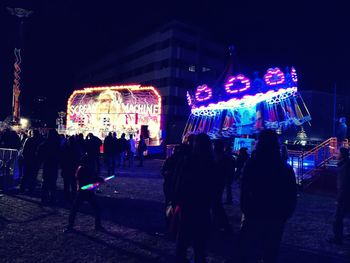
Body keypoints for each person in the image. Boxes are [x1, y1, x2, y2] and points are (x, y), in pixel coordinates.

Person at [239, 129, 297, 263]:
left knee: (251, 250)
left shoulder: (251, 165)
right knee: (271, 252)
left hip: (255, 214)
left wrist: (246, 209)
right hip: (276, 216)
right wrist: (285, 214)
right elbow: (291, 194)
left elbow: (245, 188)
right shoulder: (285, 168)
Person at [173, 133, 215, 263]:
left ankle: (181, 258)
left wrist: (177, 200)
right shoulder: (211, 163)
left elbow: (180, 182)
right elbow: (215, 185)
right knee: (200, 239)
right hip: (203, 204)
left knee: (183, 235)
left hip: (188, 203)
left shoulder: (189, 161)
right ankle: (199, 259)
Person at [64, 154, 105, 233]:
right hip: (82, 193)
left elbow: (95, 177)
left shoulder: (90, 169)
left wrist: (99, 180)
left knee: (97, 208)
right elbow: (85, 181)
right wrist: (95, 181)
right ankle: (70, 226)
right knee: (74, 209)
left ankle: (98, 225)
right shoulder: (81, 170)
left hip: (89, 193)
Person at [328, 147, 350, 245]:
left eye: (338, 153)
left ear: (342, 155)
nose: (336, 154)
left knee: (338, 218)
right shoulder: (346, 165)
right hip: (346, 195)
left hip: (344, 196)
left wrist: (339, 198)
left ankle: (338, 238)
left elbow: (343, 184)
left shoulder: (344, 167)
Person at [212, 140, 233, 234]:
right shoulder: (225, 157)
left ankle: (224, 226)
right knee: (216, 204)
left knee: (216, 204)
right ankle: (218, 224)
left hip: (217, 182)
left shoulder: (220, 158)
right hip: (220, 182)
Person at [38, 129, 61, 205]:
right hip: (53, 164)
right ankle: (52, 198)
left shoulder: (46, 143)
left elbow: (40, 152)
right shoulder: (57, 144)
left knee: (46, 181)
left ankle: (44, 198)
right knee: (52, 182)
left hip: (47, 164)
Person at [61, 136, 81, 201]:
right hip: (73, 168)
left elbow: (63, 159)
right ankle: (73, 197)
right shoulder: (76, 149)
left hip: (67, 168)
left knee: (66, 184)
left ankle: (66, 197)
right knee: (73, 184)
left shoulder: (66, 148)